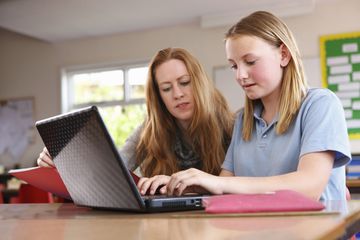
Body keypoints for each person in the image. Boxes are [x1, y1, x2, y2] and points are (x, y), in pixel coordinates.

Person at [164, 11, 351, 201]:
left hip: (315, 230)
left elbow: (309, 187)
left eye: (250, 61)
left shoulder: (320, 105)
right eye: (234, 66)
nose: (240, 75)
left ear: (284, 55)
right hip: (259, 229)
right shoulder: (243, 120)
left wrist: (220, 183)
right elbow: (224, 187)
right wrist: (183, 185)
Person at [37, 47, 235, 195]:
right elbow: (112, 172)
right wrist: (64, 163)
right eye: (166, 88)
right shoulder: (149, 131)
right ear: (158, 96)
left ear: (199, 83)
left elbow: (238, 187)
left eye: (184, 83)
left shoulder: (230, 125)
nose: (177, 94)